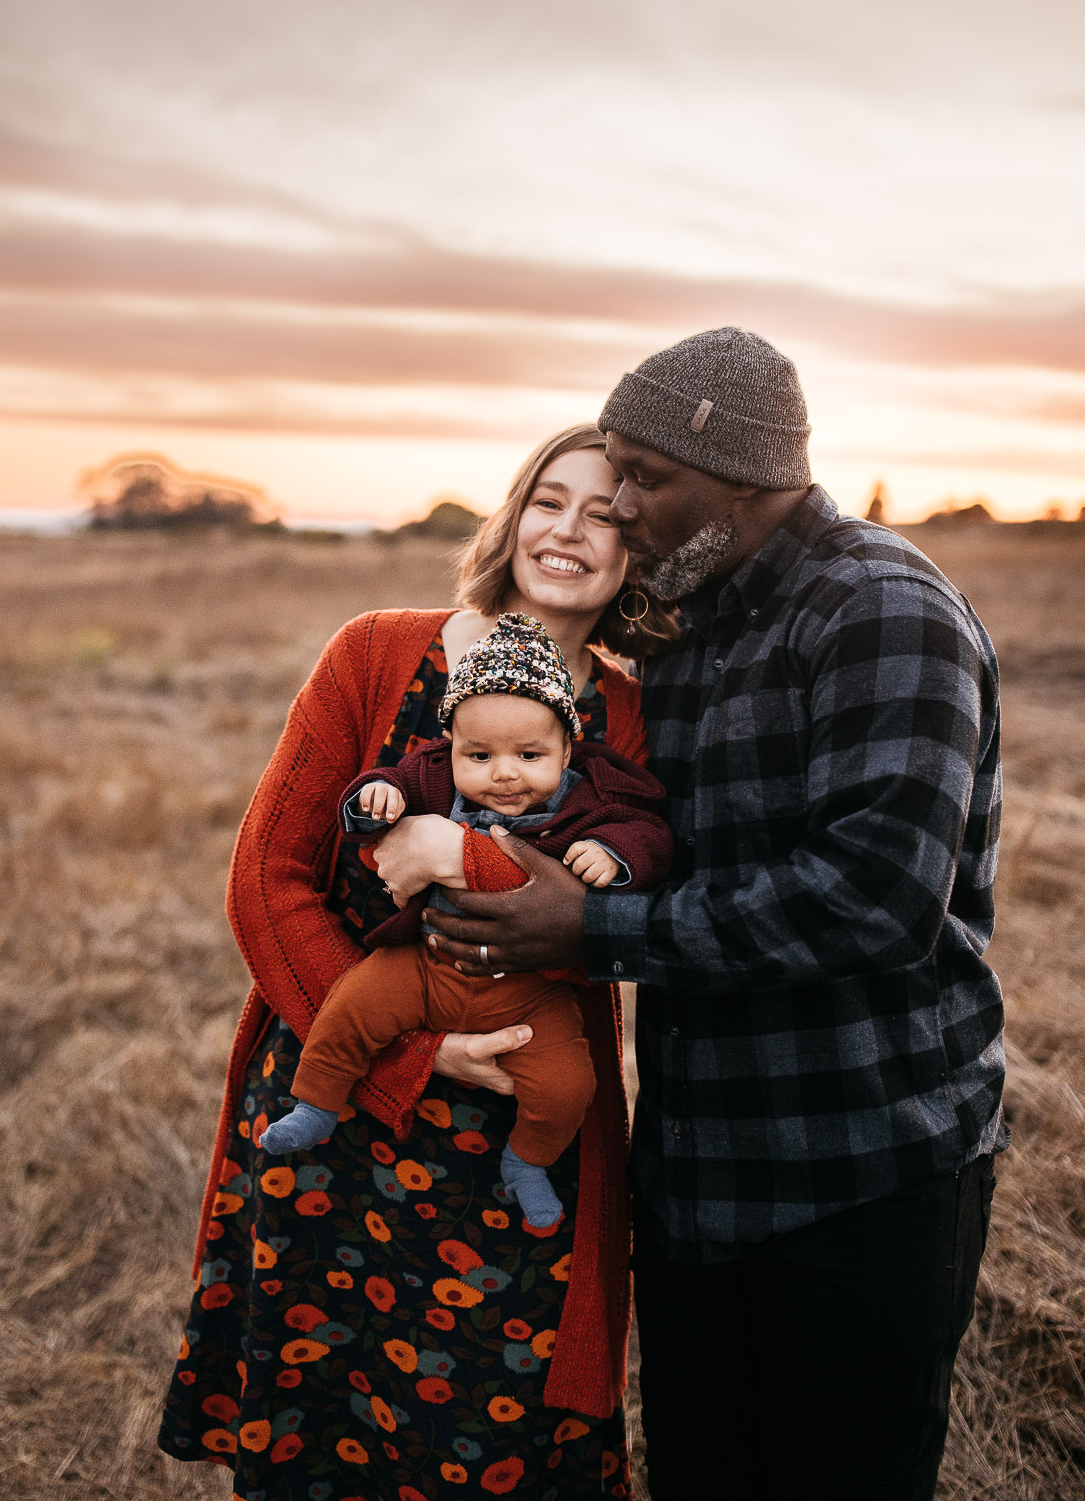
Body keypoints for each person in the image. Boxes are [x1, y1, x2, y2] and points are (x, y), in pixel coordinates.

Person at [417, 328, 1007, 1501]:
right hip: (697, 1172)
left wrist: (593, 934)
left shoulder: (882, 611)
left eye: (646, 475)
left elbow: (875, 899)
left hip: (859, 1170)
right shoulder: (684, 625)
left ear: (745, 479)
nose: (622, 506)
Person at [158, 423, 677, 1499]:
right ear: (514, 512)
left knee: (495, 1446)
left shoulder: (629, 713)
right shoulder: (379, 652)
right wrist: (417, 1051)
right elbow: (267, 880)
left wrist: (470, 853)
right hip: (339, 1103)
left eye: (606, 513)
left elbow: (629, 891)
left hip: (514, 1142)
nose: (569, 529)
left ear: (642, 552)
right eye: (549, 498)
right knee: (318, 1428)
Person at [260, 612, 673, 1232]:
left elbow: (649, 835)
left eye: (529, 755)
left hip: (530, 994)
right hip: (427, 966)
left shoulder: (592, 799)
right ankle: (317, 1099)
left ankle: (528, 1161)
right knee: (353, 1005)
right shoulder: (429, 776)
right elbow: (381, 786)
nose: (504, 773)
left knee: (568, 1085)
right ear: (449, 746)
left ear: (568, 748)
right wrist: (378, 800)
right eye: (479, 755)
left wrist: (615, 857)